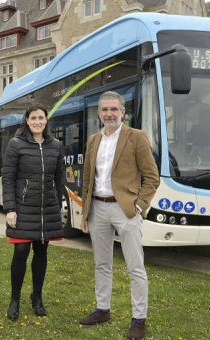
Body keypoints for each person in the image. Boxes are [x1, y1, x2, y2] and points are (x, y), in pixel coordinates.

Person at [78, 91, 159, 340]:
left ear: (123, 112)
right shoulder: (93, 140)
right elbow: (88, 179)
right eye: (105, 110)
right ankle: (103, 309)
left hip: (125, 210)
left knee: (135, 267)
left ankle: (139, 319)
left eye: (114, 109)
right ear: (99, 113)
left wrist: (139, 205)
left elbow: (151, 177)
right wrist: (85, 213)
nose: (109, 114)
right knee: (102, 264)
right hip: (98, 210)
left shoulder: (136, 137)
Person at [2, 104, 65, 321]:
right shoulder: (16, 144)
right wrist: (10, 208)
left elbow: (59, 178)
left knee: (41, 253)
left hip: (46, 208)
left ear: (46, 120)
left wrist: (59, 203)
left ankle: (37, 298)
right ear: (27, 121)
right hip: (22, 208)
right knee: (20, 252)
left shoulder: (56, 145)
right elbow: (8, 178)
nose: (37, 121)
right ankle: (15, 299)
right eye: (33, 118)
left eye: (41, 118)